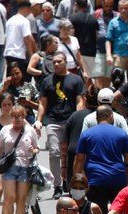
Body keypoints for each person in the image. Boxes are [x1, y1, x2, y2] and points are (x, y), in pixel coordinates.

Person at [35, 52, 86, 199]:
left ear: (66, 62)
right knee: (54, 153)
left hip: (70, 121)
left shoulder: (76, 80)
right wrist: (39, 120)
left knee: (71, 153)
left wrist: (78, 118)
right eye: (54, 62)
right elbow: (42, 103)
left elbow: (80, 101)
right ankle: (57, 185)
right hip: (53, 121)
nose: (56, 64)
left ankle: (67, 180)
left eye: (59, 62)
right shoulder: (47, 81)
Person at [73, 105, 128, 213]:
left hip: (95, 179)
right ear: (111, 117)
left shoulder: (86, 134)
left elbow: (79, 159)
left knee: (98, 213)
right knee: (118, 213)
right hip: (117, 177)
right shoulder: (122, 134)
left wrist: (77, 179)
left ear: (97, 119)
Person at [104, 0, 128, 81]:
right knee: (117, 80)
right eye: (121, 8)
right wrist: (108, 55)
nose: (123, 10)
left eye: (125, 8)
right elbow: (108, 39)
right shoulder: (113, 22)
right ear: (118, 9)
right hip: (118, 54)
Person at [4, 1, 37, 75]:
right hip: (18, 54)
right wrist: (31, 55)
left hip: (8, 53)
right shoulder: (24, 21)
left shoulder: (10, 21)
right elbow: (27, 39)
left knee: (10, 76)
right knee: (18, 78)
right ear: (27, 9)